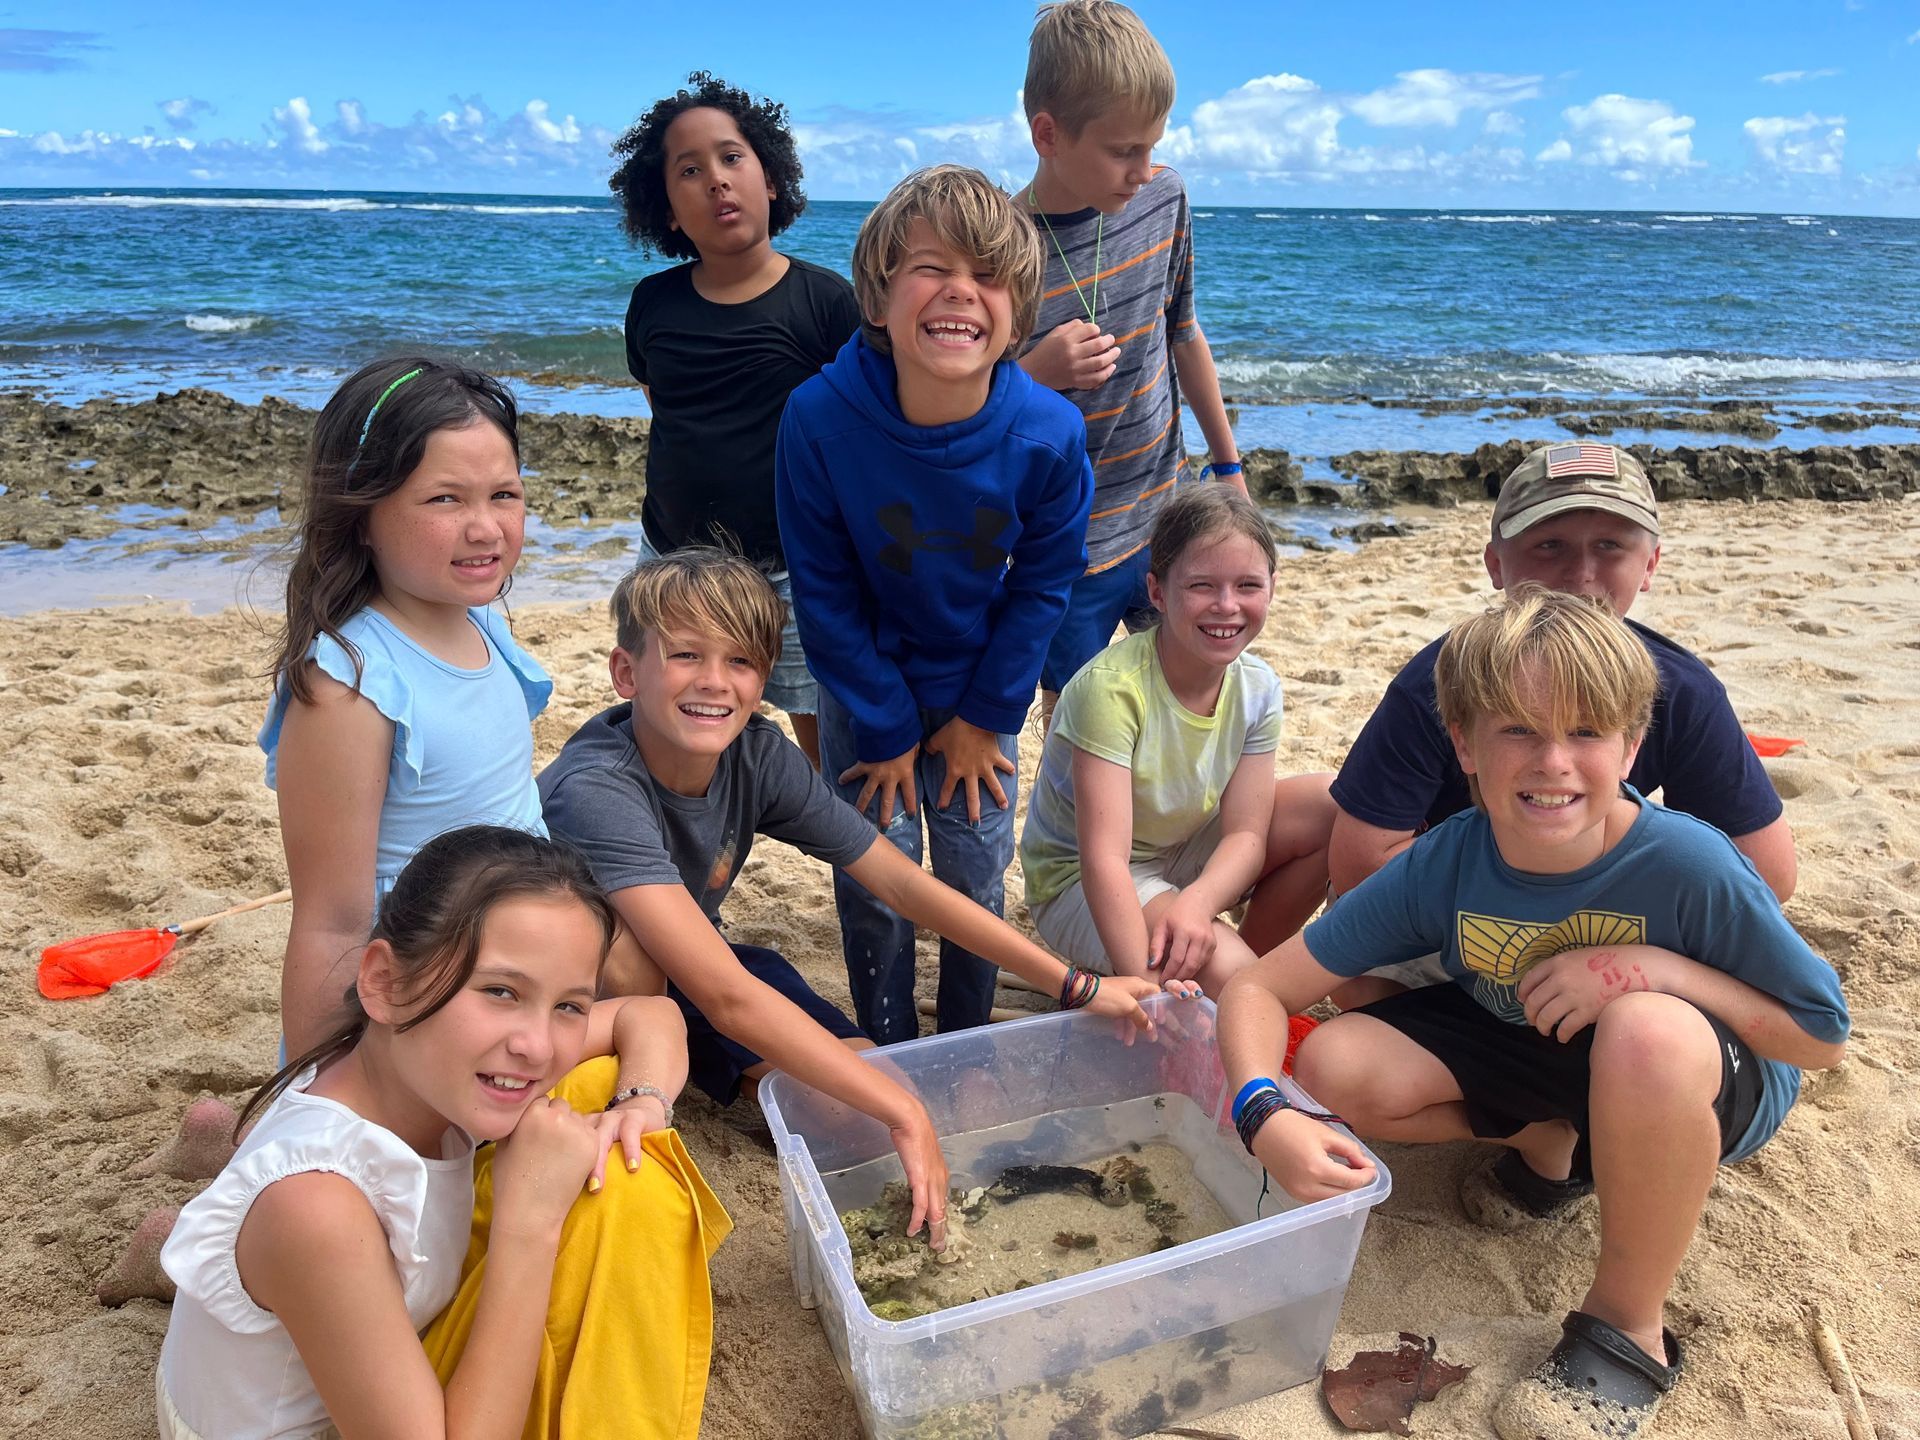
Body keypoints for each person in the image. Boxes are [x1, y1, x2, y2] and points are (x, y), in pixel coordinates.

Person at [1218, 586, 1849, 1440]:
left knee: (1645, 1027)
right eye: (1517, 728)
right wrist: (1263, 1109)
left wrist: (1654, 969)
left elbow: (1820, 1036)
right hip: (1540, 1041)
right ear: (1465, 746)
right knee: (1335, 1062)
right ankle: (1550, 1143)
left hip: (1700, 1077)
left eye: (1586, 731)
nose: (1553, 760)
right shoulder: (1447, 859)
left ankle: (1629, 1329)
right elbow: (1261, 988)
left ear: (1631, 746)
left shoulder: (1687, 862)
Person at [540, 548, 1195, 1249]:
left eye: (738, 662)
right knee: (637, 953)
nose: (714, 683)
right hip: (588, 990)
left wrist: (1074, 983)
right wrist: (905, 1112)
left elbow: (902, 882)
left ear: (767, 678)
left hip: (702, 960)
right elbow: (728, 998)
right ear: (625, 672)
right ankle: (622, 1108)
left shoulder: (756, 755)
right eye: (686, 657)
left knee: (859, 1104)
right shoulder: (597, 788)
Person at [156, 825, 731, 1440]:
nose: (535, 1045)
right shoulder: (318, 1207)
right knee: (614, 1182)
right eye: (501, 991)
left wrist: (641, 1103)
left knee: (600, 1103)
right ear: (385, 982)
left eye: (569, 1005)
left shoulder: (415, 1068)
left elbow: (650, 1013)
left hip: (355, 1351)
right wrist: (527, 1225)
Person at [774, 164, 1094, 1044]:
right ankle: (887, 1038)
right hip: (860, 687)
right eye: (930, 268)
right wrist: (881, 727)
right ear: (877, 298)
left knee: (974, 877)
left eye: (988, 276)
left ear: (1018, 314)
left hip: (979, 685)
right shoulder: (816, 418)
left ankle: (965, 1043)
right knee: (875, 876)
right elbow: (823, 586)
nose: (960, 291)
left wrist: (986, 718)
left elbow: (1042, 587)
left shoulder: (1053, 434)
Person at [1327, 442, 1799, 1008]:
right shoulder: (1434, 683)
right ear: (1497, 564)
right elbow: (1359, 870)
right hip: (1454, 920)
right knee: (1362, 985)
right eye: (1549, 546)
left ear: (1649, 564)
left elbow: (1769, 875)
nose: (1580, 574)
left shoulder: (1684, 692)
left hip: (1606, 924)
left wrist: (1620, 928)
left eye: (1610, 546)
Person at [261, 357, 554, 1057]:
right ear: (361, 515)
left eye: (504, 495)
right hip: (425, 985)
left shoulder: (478, 617)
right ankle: (237, 1133)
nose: (485, 528)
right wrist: (314, 1107)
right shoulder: (350, 687)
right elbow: (331, 925)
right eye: (444, 500)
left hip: (522, 949)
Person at [609, 70, 861, 766]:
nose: (716, 181)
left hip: (794, 567)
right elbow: (664, 406)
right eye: (689, 171)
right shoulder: (653, 304)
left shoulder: (826, 302)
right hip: (671, 560)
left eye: (731, 158)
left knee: (820, 728)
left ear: (771, 178)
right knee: (667, 723)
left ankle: (831, 841)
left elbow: (858, 430)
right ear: (665, 209)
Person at [1016, 0, 1247, 711]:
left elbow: (1183, 332)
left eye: (1153, 146)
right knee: (1076, 714)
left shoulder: (1163, 198)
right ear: (1048, 134)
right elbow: (961, 400)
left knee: (1188, 697)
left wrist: (1227, 465)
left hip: (1167, 510)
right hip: (1065, 540)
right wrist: (1034, 374)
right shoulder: (998, 247)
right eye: (1124, 151)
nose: (1144, 169)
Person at [1020, 486, 1336, 997]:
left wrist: (1198, 905)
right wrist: (1139, 987)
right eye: (1202, 586)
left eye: (1247, 585)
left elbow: (1246, 836)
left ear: (1272, 588)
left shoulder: (1258, 687)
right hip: (1084, 883)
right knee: (1238, 981)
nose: (1226, 606)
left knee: (1331, 804)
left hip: (1183, 850)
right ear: (1158, 591)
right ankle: (1214, 970)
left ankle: (1229, 955)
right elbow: (1104, 859)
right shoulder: (1113, 690)